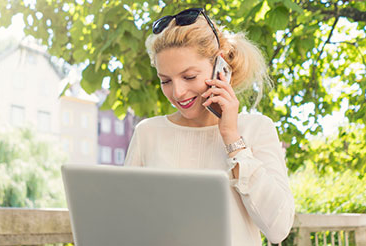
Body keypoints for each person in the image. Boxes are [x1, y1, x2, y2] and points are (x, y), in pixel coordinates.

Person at [124, 8, 295, 246]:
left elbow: (278, 229)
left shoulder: (257, 129)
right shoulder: (147, 133)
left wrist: (232, 138)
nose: (178, 92)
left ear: (220, 68)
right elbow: (127, 222)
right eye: (166, 81)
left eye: (189, 77)